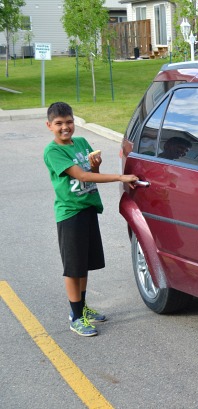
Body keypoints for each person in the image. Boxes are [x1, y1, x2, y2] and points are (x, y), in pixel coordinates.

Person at [43, 102, 139, 337]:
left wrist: (97, 166)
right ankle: (75, 316)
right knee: (73, 268)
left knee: (84, 263)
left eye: (69, 122)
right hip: (70, 213)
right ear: (49, 126)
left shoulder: (82, 144)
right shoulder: (53, 151)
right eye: (59, 124)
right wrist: (120, 176)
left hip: (87, 209)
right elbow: (80, 175)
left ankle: (82, 307)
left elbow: (91, 177)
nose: (65, 127)